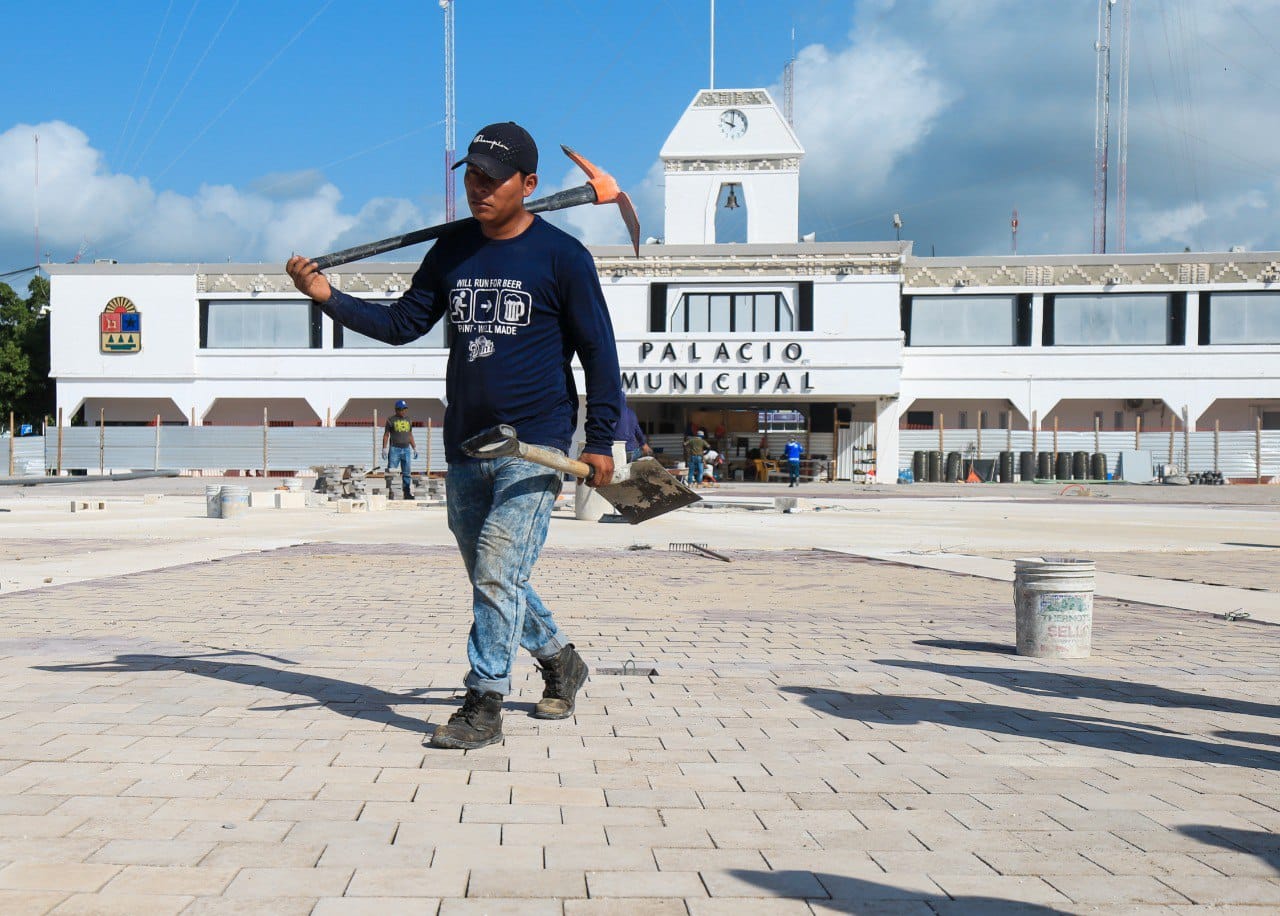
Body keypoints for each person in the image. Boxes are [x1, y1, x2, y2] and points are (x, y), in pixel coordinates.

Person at [286, 121, 622, 750]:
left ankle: (484, 701)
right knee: (494, 574)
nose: (478, 188)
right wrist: (326, 295)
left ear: (528, 185)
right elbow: (403, 323)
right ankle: (562, 661)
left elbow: (600, 356)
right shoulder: (452, 251)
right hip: (468, 439)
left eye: (492, 180)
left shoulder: (563, 257)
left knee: (497, 566)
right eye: (471, 176)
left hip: (536, 443)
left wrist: (600, 439)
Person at [381, 399, 418, 500]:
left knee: (407, 473)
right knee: (391, 472)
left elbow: (410, 435)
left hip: (406, 449)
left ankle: (407, 493)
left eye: (405, 409)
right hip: (394, 450)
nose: (403, 411)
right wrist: (384, 448)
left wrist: (414, 447)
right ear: (397, 410)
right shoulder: (390, 420)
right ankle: (391, 493)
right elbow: (386, 435)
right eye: (401, 409)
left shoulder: (409, 420)